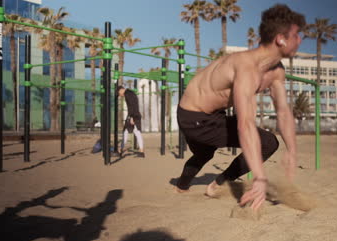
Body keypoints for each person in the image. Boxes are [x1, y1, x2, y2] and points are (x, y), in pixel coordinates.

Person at [175, 4, 305, 211]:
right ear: (280, 39)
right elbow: (245, 124)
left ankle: (191, 185)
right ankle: (195, 185)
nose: (300, 40)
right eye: (297, 35)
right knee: (210, 152)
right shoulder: (247, 68)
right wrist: (260, 178)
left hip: (213, 114)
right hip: (193, 117)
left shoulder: (276, 70)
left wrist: (292, 149)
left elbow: (283, 111)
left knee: (212, 152)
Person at [118, 85, 145, 157]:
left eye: (119, 93)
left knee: (128, 132)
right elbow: (134, 105)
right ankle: (141, 151)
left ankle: (120, 150)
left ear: (121, 90)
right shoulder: (130, 93)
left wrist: (132, 117)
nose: (120, 95)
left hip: (133, 115)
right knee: (135, 132)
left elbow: (132, 106)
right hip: (135, 115)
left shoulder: (128, 94)